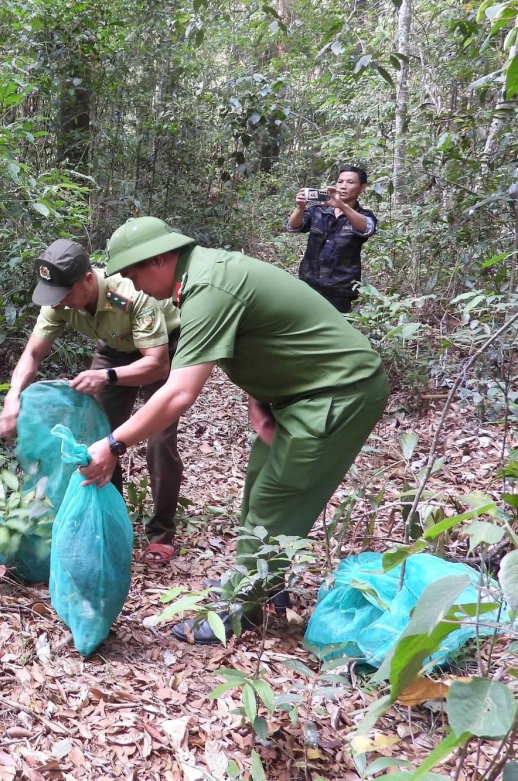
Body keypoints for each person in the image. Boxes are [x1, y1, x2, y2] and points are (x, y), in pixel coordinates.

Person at [82, 217, 388, 644]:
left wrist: (114, 443)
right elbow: (262, 335)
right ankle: (264, 585)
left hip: (338, 391)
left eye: (134, 273)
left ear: (161, 259)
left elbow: (177, 393)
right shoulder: (202, 276)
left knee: (277, 499)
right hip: (298, 396)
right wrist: (260, 397)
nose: (131, 283)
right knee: (258, 492)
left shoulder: (208, 287)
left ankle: (237, 609)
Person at [0, 239, 185, 564]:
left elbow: (157, 364)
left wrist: (106, 376)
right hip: (115, 349)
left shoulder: (130, 294)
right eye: (56, 296)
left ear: (87, 279)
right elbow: (33, 353)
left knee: (160, 440)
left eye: (67, 294)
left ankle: (161, 533)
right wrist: (12, 399)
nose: (63, 304)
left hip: (162, 349)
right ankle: (109, 523)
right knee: (98, 438)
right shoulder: (58, 300)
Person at [285, 165, 378, 313]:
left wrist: (342, 206)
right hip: (308, 283)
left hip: (339, 291)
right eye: (340, 181)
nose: (343, 186)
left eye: (350, 182)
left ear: (362, 188)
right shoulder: (319, 210)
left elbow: (367, 228)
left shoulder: (364, 215)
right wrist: (300, 207)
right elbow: (293, 227)